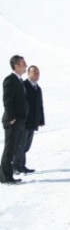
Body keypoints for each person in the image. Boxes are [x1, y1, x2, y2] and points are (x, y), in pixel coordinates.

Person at [0, 55, 29, 185]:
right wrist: (11, 118)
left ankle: (7, 175)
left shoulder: (19, 80)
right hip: (12, 121)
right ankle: (5, 177)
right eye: (23, 63)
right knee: (9, 149)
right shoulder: (10, 80)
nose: (26, 65)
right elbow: (7, 100)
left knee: (13, 149)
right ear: (16, 66)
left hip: (19, 121)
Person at [13, 65, 45, 175]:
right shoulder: (24, 86)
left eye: (38, 73)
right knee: (20, 145)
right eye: (34, 73)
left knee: (26, 146)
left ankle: (21, 165)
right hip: (23, 122)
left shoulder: (38, 88)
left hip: (32, 122)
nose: (37, 75)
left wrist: (41, 119)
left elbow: (40, 105)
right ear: (28, 73)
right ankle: (16, 166)